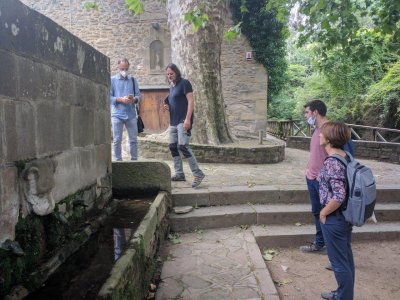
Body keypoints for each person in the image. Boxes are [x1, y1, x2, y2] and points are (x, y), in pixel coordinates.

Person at [319, 122, 354, 300]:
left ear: (329, 139)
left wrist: (323, 213)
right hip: (345, 216)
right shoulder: (345, 155)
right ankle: (344, 294)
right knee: (346, 258)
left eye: (322, 133)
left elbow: (338, 196)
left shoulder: (332, 162)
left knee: (339, 262)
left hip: (335, 218)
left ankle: (343, 297)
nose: (319, 135)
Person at [163, 63, 205, 188]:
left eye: (171, 73)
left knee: (183, 146)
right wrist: (167, 106)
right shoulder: (171, 87)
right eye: (168, 74)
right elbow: (173, 102)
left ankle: (198, 174)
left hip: (183, 120)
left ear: (177, 72)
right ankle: (179, 174)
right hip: (173, 122)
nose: (170, 76)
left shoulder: (185, 83)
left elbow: (191, 101)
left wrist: (187, 119)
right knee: (172, 146)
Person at [300, 99, 329, 253]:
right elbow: (316, 154)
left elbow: (341, 156)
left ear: (315, 112)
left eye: (307, 112)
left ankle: (330, 247)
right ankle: (319, 243)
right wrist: (308, 169)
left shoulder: (331, 130)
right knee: (317, 212)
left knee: (327, 213)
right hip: (311, 178)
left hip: (322, 181)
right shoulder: (316, 130)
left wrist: (323, 175)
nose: (305, 115)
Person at [110, 58, 141, 161]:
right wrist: (120, 99)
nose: (124, 71)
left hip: (131, 114)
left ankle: (134, 160)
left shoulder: (132, 80)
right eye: (122, 68)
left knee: (133, 139)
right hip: (117, 114)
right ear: (118, 68)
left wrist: (134, 99)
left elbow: (139, 96)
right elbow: (109, 97)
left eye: (126, 69)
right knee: (117, 140)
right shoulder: (112, 80)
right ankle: (118, 160)